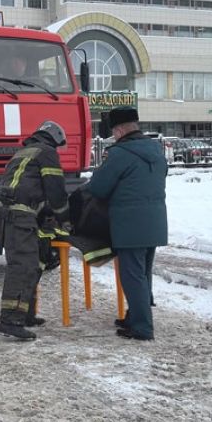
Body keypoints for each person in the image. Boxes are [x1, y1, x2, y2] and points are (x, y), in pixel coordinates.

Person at [87, 107, 167, 341]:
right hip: (155, 221)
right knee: (142, 273)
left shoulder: (120, 154)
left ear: (120, 129)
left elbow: (98, 187)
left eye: (113, 131)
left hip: (130, 224)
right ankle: (135, 316)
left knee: (132, 276)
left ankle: (142, 327)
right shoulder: (156, 150)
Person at [0, 120, 71, 340]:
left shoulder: (25, 151)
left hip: (11, 214)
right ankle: (10, 320)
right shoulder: (47, 152)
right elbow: (56, 192)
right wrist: (65, 218)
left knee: (32, 263)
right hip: (19, 215)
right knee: (23, 266)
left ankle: (25, 314)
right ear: (55, 138)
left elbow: (28, 186)